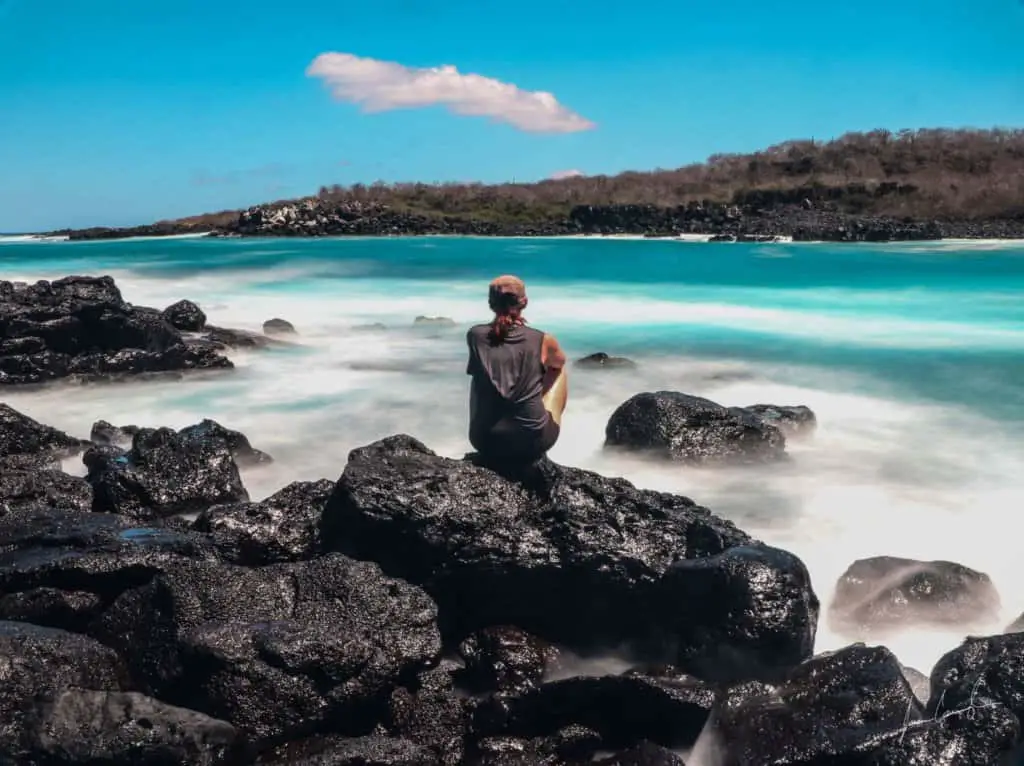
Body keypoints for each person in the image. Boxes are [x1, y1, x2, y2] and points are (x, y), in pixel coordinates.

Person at [465, 275, 568, 462]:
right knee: (558, 370)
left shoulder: (475, 335)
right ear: (525, 302)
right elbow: (558, 363)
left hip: (484, 441)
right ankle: (535, 412)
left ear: (490, 303)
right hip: (533, 442)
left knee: (480, 374)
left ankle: (485, 422)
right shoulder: (543, 339)